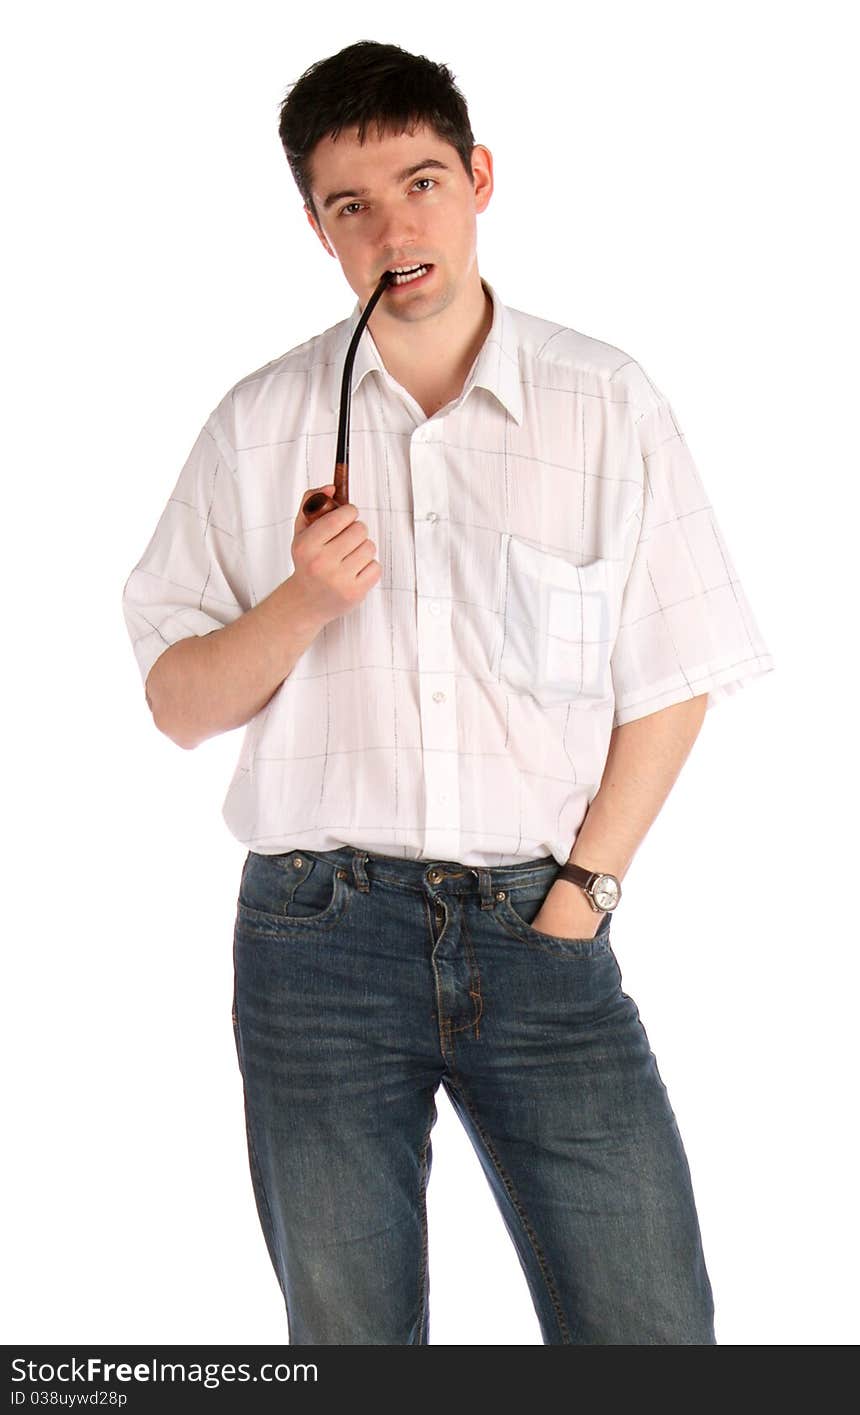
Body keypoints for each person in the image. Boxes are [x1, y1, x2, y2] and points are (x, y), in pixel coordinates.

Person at [121, 40, 775, 1345]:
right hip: (316, 944)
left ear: (480, 179)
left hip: (544, 932)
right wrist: (302, 599)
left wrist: (585, 894)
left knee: (652, 1333)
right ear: (317, 231)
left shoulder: (605, 403)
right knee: (352, 1345)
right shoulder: (258, 425)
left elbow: (676, 675)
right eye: (350, 205)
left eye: (421, 182)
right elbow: (178, 704)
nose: (393, 227)